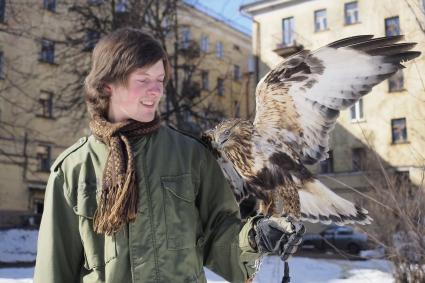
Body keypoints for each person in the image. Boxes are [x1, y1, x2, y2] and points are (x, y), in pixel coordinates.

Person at [34, 28, 304, 283]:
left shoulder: (191, 155)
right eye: (143, 80)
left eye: (160, 80)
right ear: (107, 85)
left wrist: (255, 238)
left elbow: (219, 237)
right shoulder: (73, 169)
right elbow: (54, 270)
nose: (156, 90)